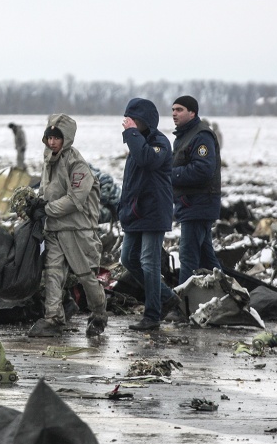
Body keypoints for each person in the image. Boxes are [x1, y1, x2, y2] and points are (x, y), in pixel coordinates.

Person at [25, 115, 108, 338]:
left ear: (67, 138)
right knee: (52, 273)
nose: (52, 142)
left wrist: (47, 209)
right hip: (54, 229)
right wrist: (36, 204)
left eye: (57, 138)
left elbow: (75, 199)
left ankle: (99, 314)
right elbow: (46, 189)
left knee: (86, 276)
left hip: (77, 230)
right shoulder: (48, 160)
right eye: (49, 137)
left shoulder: (76, 163)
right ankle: (53, 318)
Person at [118, 98, 181, 331]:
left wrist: (132, 135)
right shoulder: (137, 144)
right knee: (128, 259)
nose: (128, 123)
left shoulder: (159, 143)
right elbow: (130, 182)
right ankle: (166, 297)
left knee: (148, 262)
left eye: (133, 119)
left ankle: (152, 315)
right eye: (128, 119)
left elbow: (148, 159)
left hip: (154, 212)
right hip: (135, 212)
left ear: (145, 121)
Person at [170, 96, 223, 286]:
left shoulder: (201, 136)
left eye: (180, 110)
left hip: (199, 203)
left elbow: (203, 170)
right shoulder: (185, 135)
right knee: (206, 258)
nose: (174, 113)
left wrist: (170, 174)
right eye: (173, 109)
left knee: (188, 256)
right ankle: (226, 295)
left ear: (192, 112)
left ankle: (184, 304)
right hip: (190, 204)